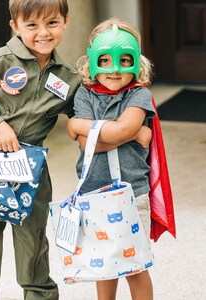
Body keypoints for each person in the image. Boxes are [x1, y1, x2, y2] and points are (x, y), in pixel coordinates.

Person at [0, 0, 80, 299]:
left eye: (51, 23)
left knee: (33, 244)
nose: (43, 33)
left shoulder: (68, 77)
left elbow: (80, 116)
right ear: (15, 26)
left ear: (65, 21)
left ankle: (39, 294)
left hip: (32, 171)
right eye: (32, 25)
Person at [67, 18, 155, 300]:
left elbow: (118, 130)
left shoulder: (139, 95)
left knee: (134, 266)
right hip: (94, 192)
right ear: (92, 61)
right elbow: (87, 144)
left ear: (136, 62)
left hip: (132, 192)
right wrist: (132, 133)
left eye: (123, 60)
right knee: (102, 264)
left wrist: (78, 125)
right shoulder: (84, 94)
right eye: (104, 60)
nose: (113, 69)